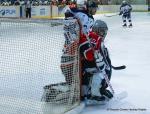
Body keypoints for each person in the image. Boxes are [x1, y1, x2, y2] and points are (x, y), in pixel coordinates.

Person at [63, 0, 98, 100]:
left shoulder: (90, 18)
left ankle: (82, 88)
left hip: (82, 45)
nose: (95, 10)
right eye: (93, 8)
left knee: (83, 66)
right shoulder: (81, 13)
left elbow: (87, 33)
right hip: (73, 44)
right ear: (89, 7)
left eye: (96, 8)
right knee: (71, 66)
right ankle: (75, 88)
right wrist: (69, 15)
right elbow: (68, 9)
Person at [79, 20, 113, 103]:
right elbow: (88, 55)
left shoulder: (95, 38)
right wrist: (99, 61)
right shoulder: (92, 37)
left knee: (104, 68)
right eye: (102, 31)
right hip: (84, 66)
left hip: (85, 66)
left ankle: (86, 92)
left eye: (104, 31)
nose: (104, 33)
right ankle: (95, 93)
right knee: (101, 72)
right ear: (96, 30)